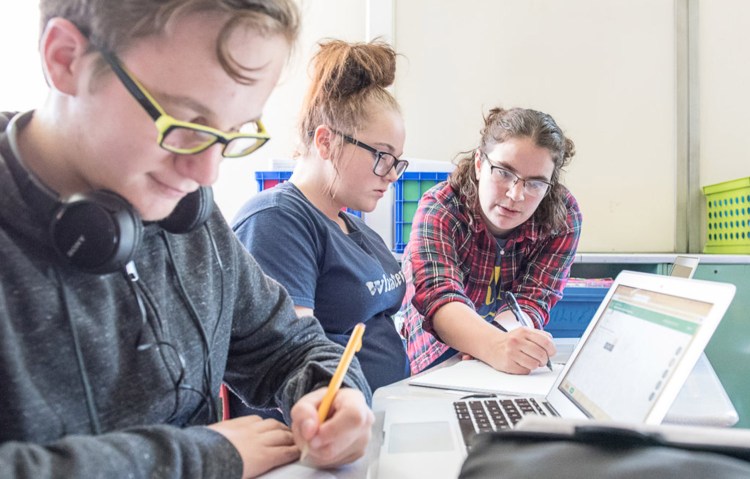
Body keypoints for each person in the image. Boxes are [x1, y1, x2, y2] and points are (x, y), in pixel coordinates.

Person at [0, 1, 375, 478]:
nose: (207, 172)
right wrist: (202, 458)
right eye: (183, 124)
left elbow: (286, 345)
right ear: (65, 58)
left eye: (233, 133)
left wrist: (336, 396)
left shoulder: (186, 210)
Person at [230, 39, 409, 415]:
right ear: (326, 141)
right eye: (381, 156)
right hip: (321, 440)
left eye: (397, 161)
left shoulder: (354, 229)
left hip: (382, 418)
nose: (391, 174)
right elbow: (290, 356)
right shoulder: (277, 221)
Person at [400, 107, 582, 375]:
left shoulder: (563, 217)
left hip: (505, 337)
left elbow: (533, 298)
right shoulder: (440, 209)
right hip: (437, 347)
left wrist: (497, 340)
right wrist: (492, 345)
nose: (516, 194)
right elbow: (439, 297)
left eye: (535, 183)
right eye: (504, 172)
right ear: (478, 163)